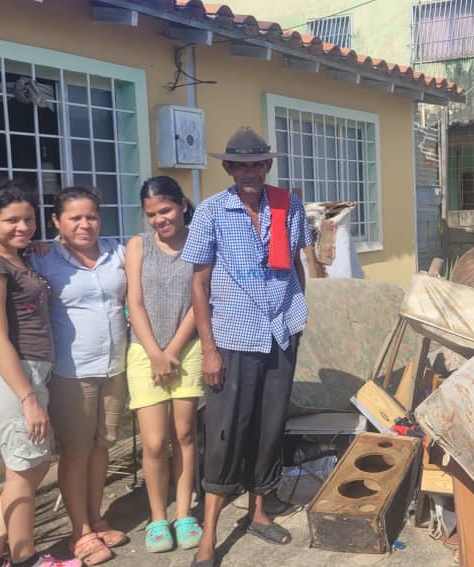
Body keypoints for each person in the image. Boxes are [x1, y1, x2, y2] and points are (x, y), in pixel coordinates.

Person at [181, 126, 312, 567]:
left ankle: (258, 512)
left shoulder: (288, 205)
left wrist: (298, 314)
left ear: (268, 165)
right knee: (224, 431)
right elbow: (198, 284)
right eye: (242, 165)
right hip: (233, 337)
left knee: (270, 425)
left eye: (259, 163)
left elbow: (297, 263)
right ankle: (210, 535)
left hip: (280, 331)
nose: (251, 172)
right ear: (228, 168)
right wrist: (210, 349)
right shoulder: (211, 212)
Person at [0, 186, 129, 565]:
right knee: (73, 455)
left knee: (100, 448)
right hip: (69, 372)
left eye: (91, 216)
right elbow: (4, 307)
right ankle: (79, 533)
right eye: (74, 217)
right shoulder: (42, 259)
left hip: (114, 367)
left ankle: (96, 519)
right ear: (56, 222)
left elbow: (20, 301)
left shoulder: (117, 252)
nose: (84, 224)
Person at [0, 180, 82, 567]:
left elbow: (9, 318)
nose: (22, 227)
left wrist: (31, 248)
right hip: (14, 380)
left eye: (28, 219)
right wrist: (28, 399)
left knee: (26, 470)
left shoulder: (16, 256)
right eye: (10, 221)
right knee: (27, 471)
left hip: (29, 374)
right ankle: (25, 558)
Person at [125, 176, 203, 553]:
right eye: (151, 214)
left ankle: (185, 512)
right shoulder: (138, 246)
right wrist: (155, 353)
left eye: (166, 210)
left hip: (187, 349)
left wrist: (171, 351)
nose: (160, 219)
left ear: (182, 205)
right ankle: (158, 519)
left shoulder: (200, 242)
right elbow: (134, 302)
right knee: (155, 442)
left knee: (184, 435)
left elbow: (198, 301)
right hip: (144, 352)